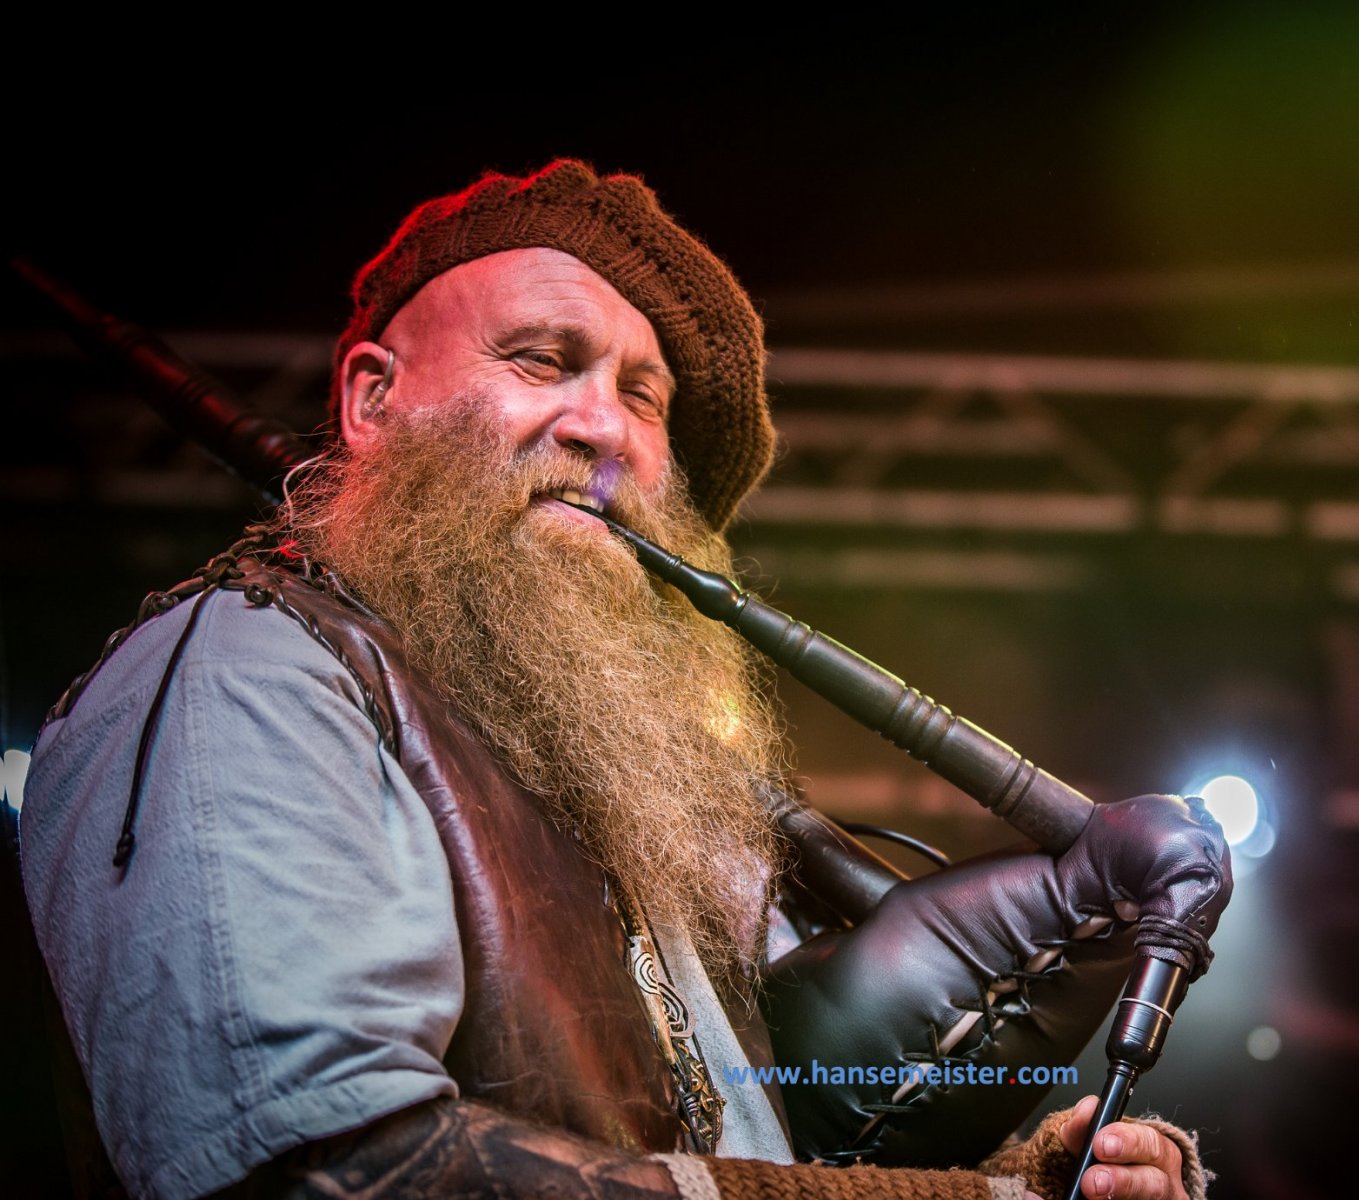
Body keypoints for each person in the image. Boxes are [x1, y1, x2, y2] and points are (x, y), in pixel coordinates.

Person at [19, 160, 1228, 1200]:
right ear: (372, 399)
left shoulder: (622, 786)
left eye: (641, 395)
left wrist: (1034, 1172)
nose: (603, 429)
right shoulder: (252, 670)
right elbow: (333, 1170)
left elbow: (747, 1149)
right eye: (540, 360)